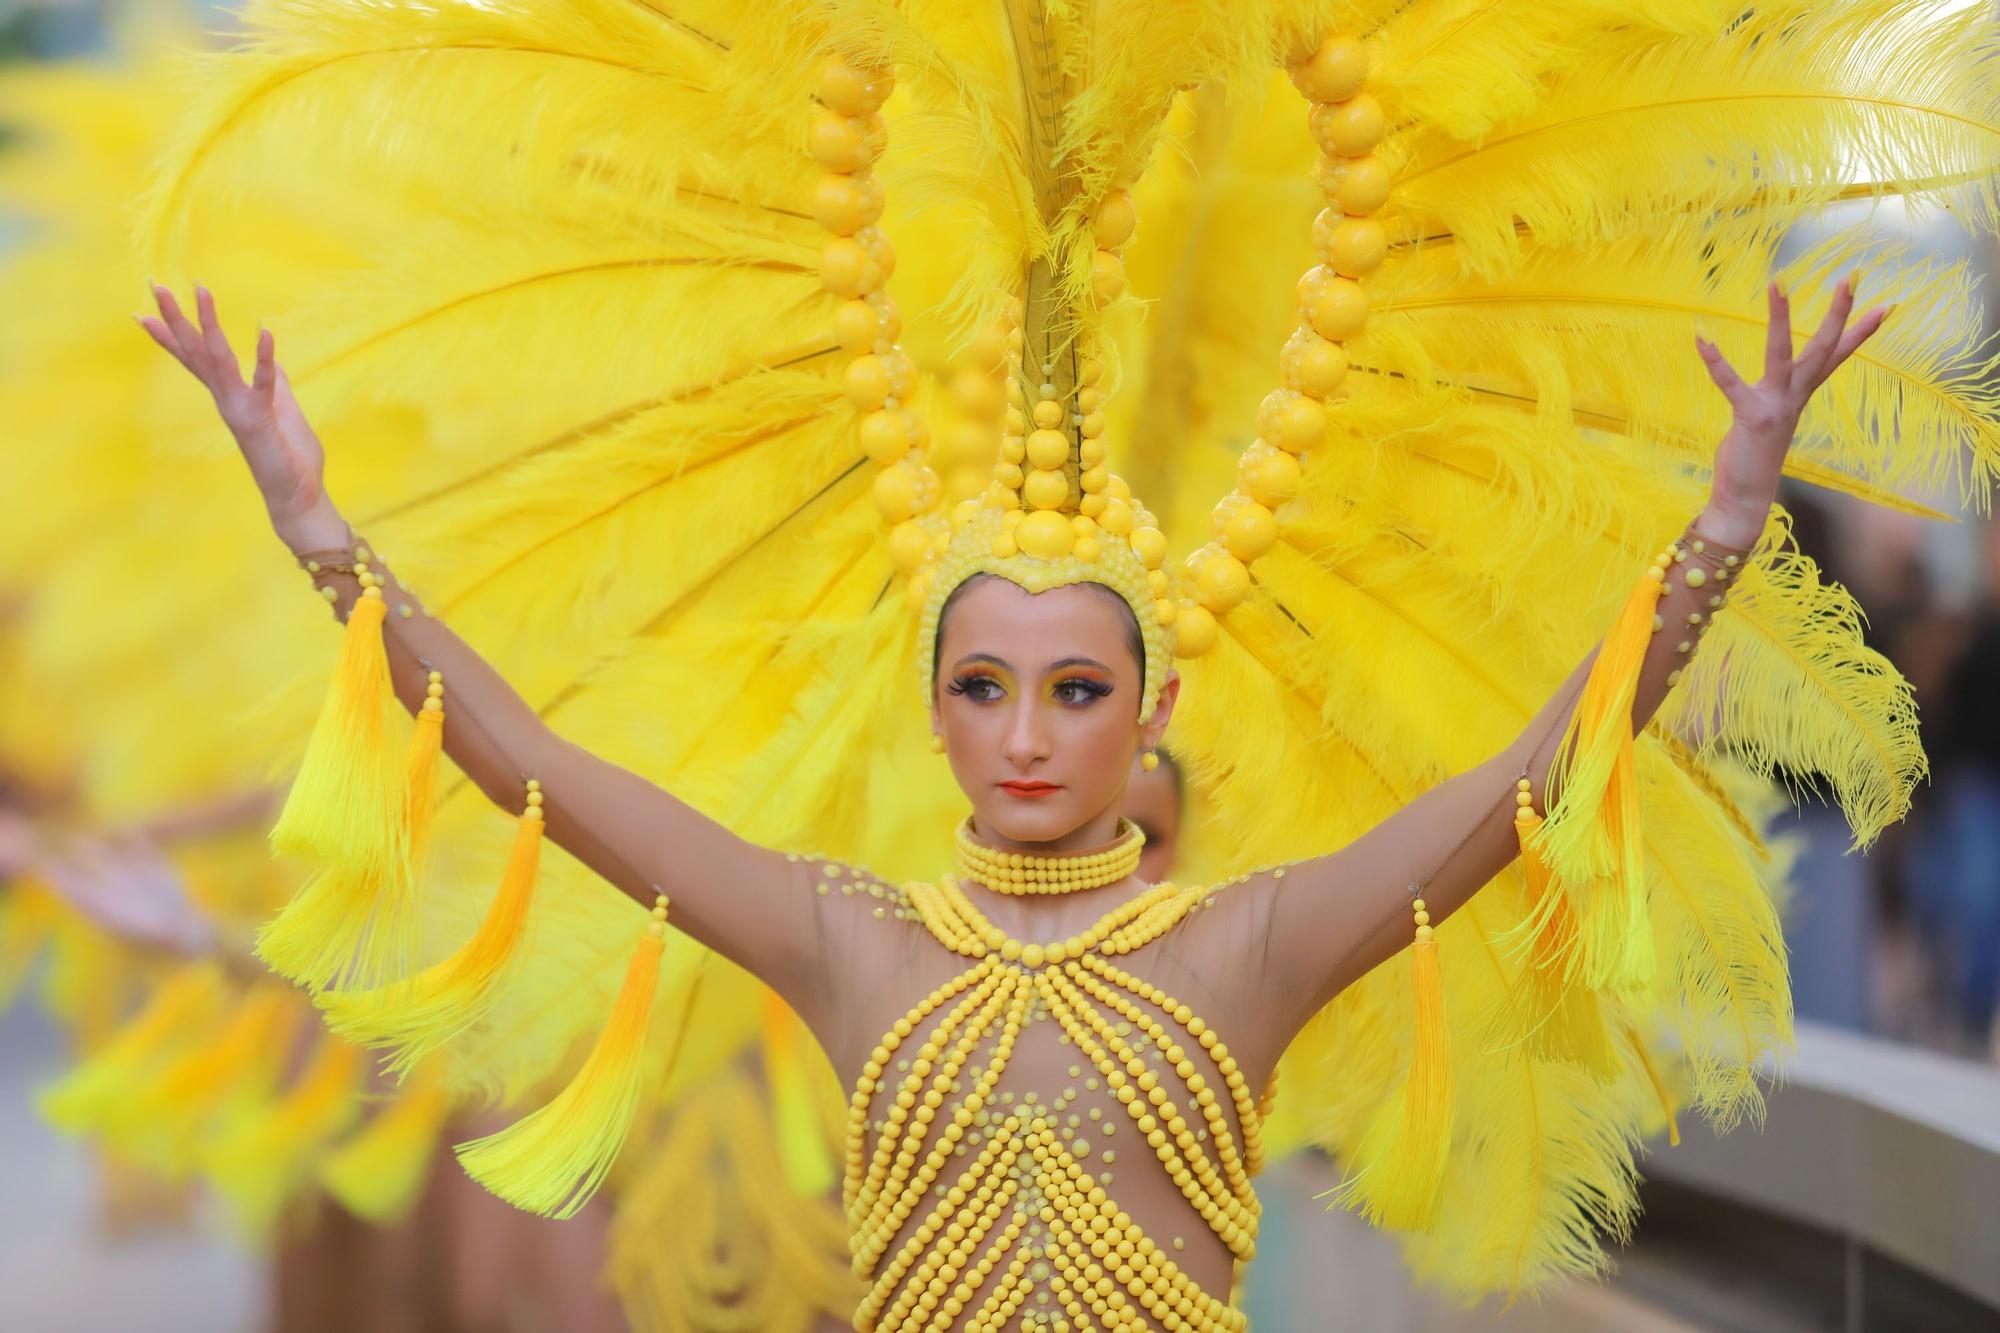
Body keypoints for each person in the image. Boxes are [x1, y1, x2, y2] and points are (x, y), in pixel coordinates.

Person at [129, 8, 1979, 1325]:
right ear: (932, 708)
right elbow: (529, 758)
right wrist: (326, 543)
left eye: (1077, 689)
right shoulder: (842, 934)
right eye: (987, 687)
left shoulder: (1247, 944)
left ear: (1152, 707)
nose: (1026, 733)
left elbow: (1538, 774)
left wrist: (1726, 520)